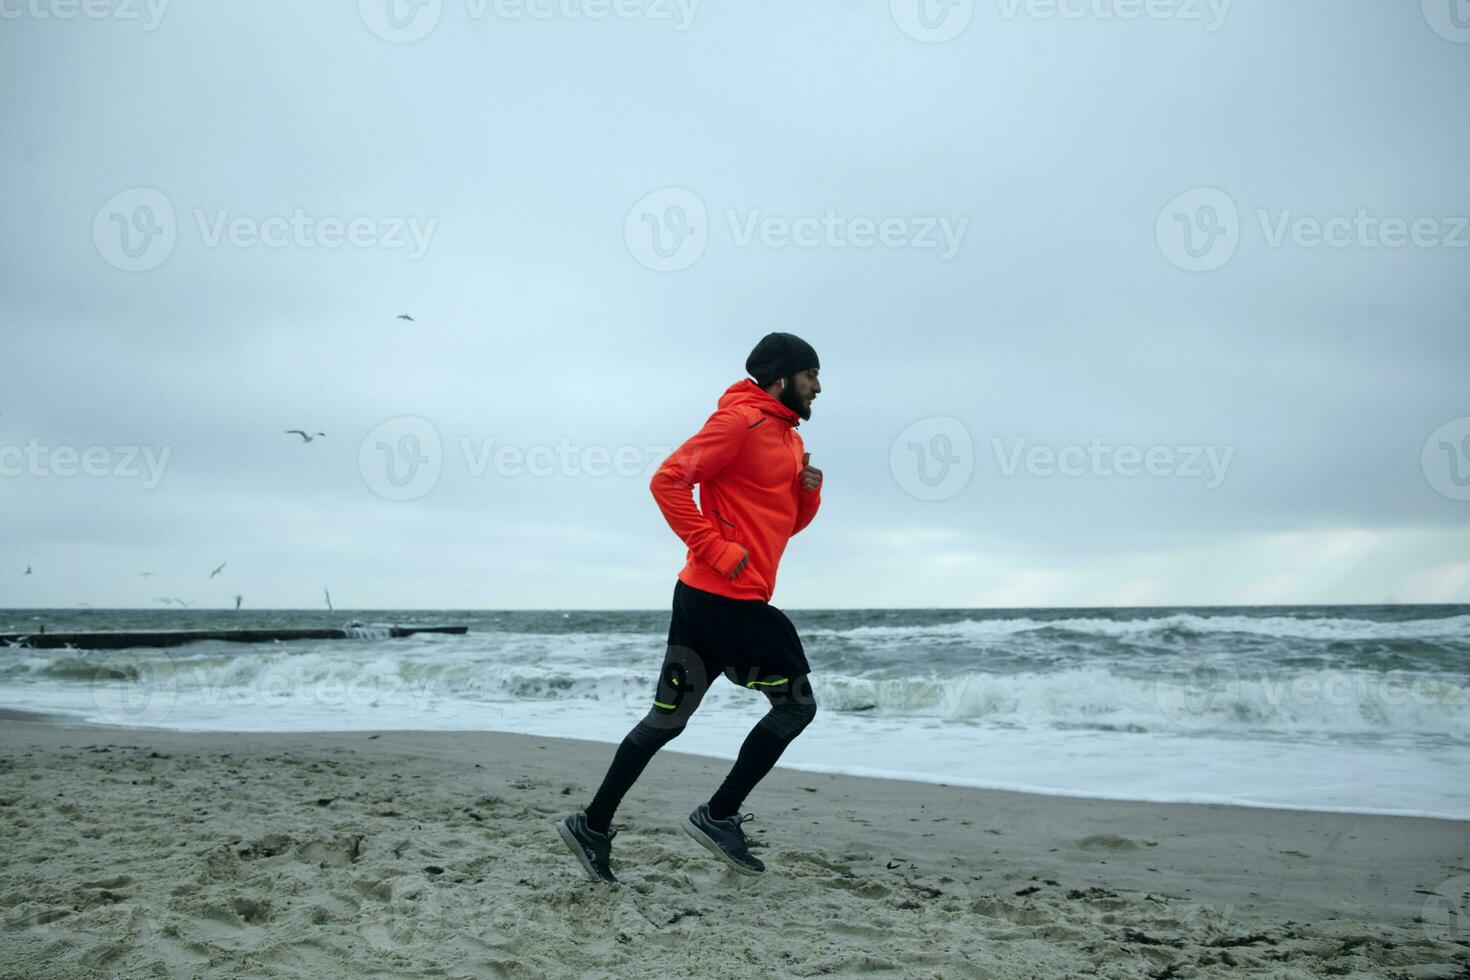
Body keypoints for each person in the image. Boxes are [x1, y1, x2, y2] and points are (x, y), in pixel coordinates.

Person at [557, 332, 824, 883]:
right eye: (810, 375)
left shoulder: (790, 441)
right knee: (796, 705)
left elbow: (784, 528)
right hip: (725, 597)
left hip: (707, 598)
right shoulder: (738, 423)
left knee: (668, 719)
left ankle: (592, 824)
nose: (818, 387)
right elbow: (668, 481)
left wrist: (808, 494)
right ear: (782, 378)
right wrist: (717, 549)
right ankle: (718, 815)